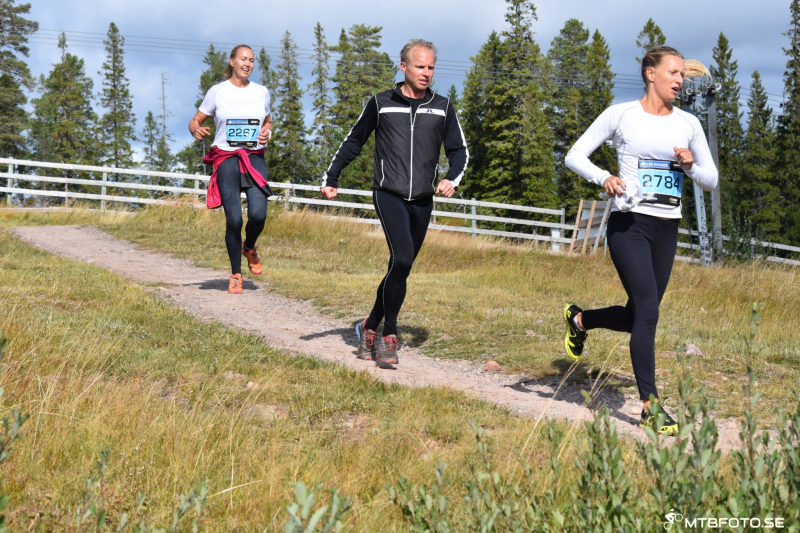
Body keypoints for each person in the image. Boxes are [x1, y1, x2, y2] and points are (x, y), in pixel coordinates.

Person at [563, 46, 718, 435]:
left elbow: (711, 179)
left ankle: (580, 320)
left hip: (666, 229)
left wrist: (690, 166)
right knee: (648, 311)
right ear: (651, 74)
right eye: (673, 73)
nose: (679, 80)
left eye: (682, 74)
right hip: (629, 225)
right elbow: (574, 155)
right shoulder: (622, 115)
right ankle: (651, 407)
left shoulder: (688, 124)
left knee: (637, 316)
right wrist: (604, 177)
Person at [320, 39, 468, 367]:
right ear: (403, 67)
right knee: (401, 259)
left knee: (400, 266)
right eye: (420, 66)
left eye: (431, 67)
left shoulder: (442, 107)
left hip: (423, 199)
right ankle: (389, 335)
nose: (426, 73)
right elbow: (354, 141)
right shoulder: (381, 103)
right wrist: (332, 177)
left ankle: (369, 325)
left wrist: (451, 178)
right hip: (388, 193)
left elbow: (459, 150)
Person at [188, 44, 273, 294]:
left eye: (252, 60)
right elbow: (195, 120)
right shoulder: (218, 91)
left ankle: (250, 247)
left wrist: (267, 132)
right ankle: (236, 274)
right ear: (232, 61)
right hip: (226, 158)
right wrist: (195, 130)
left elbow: (268, 122)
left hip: (254, 157)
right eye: (243, 59)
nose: (248, 64)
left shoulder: (261, 92)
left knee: (259, 214)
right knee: (234, 219)